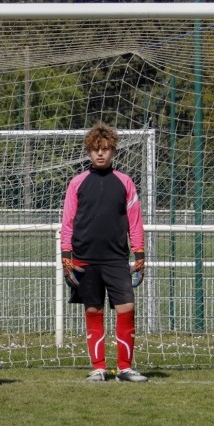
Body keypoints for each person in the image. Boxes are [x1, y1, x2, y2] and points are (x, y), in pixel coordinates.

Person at [60, 122, 148, 383]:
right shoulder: (77, 183)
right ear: (89, 151)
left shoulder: (125, 182)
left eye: (106, 149)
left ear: (113, 152)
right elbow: (68, 221)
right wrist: (66, 254)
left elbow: (135, 220)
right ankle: (98, 367)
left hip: (116, 259)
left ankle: (125, 368)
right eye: (96, 149)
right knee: (93, 311)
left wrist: (139, 254)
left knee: (127, 308)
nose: (101, 154)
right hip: (84, 259)